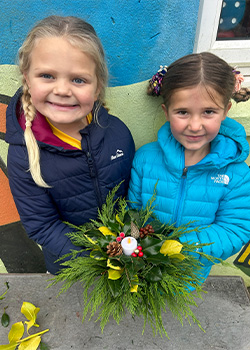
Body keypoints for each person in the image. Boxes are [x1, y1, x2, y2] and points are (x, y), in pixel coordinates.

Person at [5, 15, 135, 274]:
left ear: (97, 87)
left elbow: (133, 196)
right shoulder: (23, 154)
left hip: (128, 259)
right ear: (27, 79)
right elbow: (42, 226)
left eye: (78, 80)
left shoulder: (117, 132)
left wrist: (133, 242)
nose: (62, 90)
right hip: (71, 269)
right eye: (47, 76)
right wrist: (99, 259)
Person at [128, 52, 250, 285]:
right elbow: (133, 210)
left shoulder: (238, 175)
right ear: (166, 111)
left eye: (209, 112)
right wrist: (134, 246)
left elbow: (234, 230)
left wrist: (177, 249)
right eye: (182, 112)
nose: (195, 126)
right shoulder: (145, 158)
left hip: (190, 276)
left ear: (226, 111)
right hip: (142, 269)